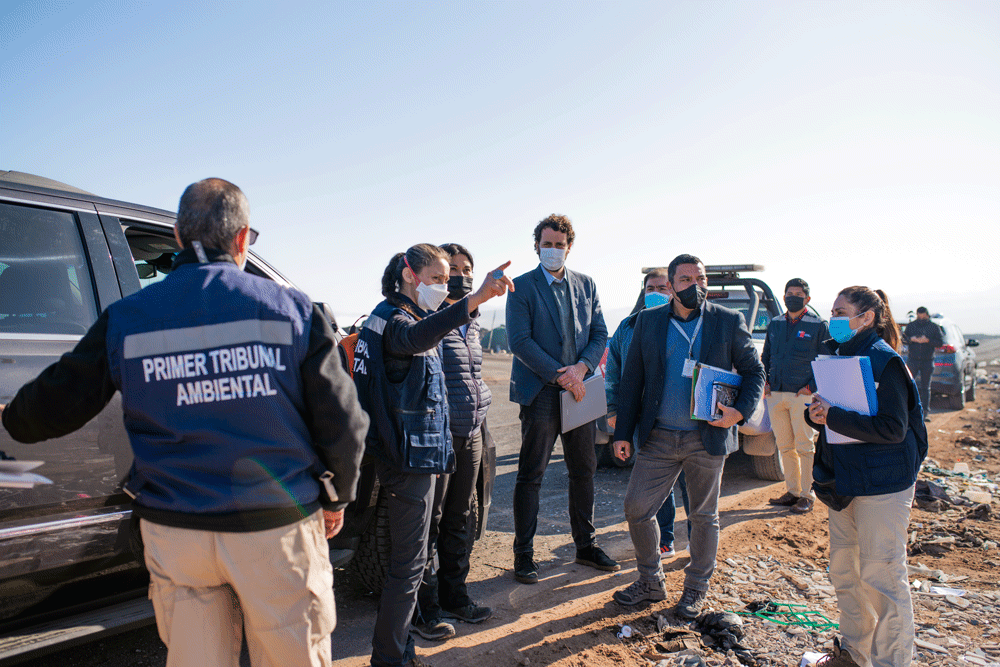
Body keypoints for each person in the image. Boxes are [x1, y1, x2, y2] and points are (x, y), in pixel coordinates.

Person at [0, 178, 369, 667]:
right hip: (274, 532)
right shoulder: (294, 311)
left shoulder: (126, 318)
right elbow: (344, 422)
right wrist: (337, 495)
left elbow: (45, 410)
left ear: (177, 236)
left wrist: (12, 414)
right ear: (242, 240)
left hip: (176, 535)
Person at [352, 244, 512, 667]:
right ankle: (391, 657)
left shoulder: (384, 315)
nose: (444, 287)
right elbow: (414, 339)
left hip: (402, 452)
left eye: (448, 280)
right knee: (408, 566)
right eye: (438, 278)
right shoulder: (396, 320)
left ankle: (399, 649)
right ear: (409, 274)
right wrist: (475, 300)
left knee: (410, 561)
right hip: (408, 458)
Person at [610, 253, 765, 618]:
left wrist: (739, 412)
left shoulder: (728, 321)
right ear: (673, 285)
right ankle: (650, 580)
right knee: (637, 509)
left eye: (701, 279)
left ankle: (695, 588)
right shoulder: (648, 322)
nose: (695, 286)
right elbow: (632, 380)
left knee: (703, 516)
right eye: (685, 280)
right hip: (659, 437)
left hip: (706, 436)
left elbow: (754, 371)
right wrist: (622, 432)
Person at [807, 286, 927, 667]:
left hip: (883, 484)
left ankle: (892, 662)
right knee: (846, 572)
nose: (834, 318)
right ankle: (855, 654)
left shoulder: (884, 361)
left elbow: (893, 428)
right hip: (845, 480)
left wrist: (834, 415)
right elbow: (834, 412)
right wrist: (817, 413)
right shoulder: (837, 355)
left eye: (841, 311)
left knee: (883, 576)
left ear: (867, 317)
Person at [506, 214, 616, 585]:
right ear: (536, 245)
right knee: (531, 474)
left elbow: (600, 332)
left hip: (580, 391)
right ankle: (524, 555)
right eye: (546, 243)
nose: (552, 249)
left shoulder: (586, 285)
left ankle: (585, 546)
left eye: (559, 244)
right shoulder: (521, 287)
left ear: (570, 246)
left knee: (584, 471)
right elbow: (520, 342)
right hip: (541, 393)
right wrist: (560, 374)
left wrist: (581, 368)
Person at [412, 243, 494, 641]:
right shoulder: (428, 318)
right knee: (430, 523)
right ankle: (424, 610)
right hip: (440, 435)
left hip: (473, 430)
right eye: (451, 271)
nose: (460, 277)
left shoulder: (473, 323)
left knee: (460, 518)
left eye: (466, 270)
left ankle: (455, 596)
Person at [605, 268, 690, 558]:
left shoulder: (688, 323)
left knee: (691, 485)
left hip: (684, 419)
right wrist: (614, 410)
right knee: (657, 487)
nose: (656, 293)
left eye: (662, 288)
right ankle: (664, 539)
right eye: (650, 288)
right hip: (645, 420)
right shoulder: (628, 328)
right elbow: (614, 373)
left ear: (672, 290)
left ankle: (696, 539)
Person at [761, 278, 830, 515]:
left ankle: (807, 494)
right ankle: (792, 491)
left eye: (797, 293)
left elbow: (825, 360)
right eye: (788, 292)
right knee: (785, 446)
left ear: (807, 299)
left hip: (802, 395)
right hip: (776, 393)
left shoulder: (817, 324)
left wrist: (810, 387)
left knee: (804, 445)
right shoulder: (776, 323)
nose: (792, 296)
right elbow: (766, 356)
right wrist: (766, 382)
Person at [902, 306, 943, 421]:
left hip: (927, 360)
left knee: (925, 387)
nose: (921, 317)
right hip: (913, 359)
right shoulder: (911, 326)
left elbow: (940, 342)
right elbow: (903, 339)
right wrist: (912, 339)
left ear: (927, 314)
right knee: (908, 385)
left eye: (923, 315)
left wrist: (928, 340)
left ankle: (925, 413)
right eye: (919, 315)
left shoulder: (933, 327)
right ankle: (907, 411)